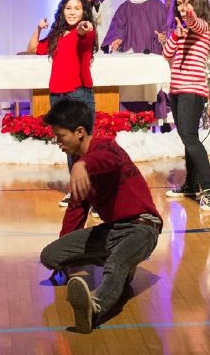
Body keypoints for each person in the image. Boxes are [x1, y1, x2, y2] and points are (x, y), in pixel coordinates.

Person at [40, 98, 162, 334]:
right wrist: (65, 254)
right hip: (113, 231)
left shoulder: (107, 147)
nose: (58, 142)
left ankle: (94, 309)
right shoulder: (80, 166)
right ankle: (123, 262)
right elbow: (76, 210)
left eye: (60, 136)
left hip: (142, 228)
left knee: (115, 265)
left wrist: (82, 165)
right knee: (51, 255)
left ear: (79, 132)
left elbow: (108, 160)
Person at [26, 0, 98, 187]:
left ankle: (95, 194)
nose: (72, 12)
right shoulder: (57, 34)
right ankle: (77, 191)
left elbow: (85, 32)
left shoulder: (86, 31)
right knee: (68, 145)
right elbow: (32, 48)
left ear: (84, 11)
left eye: (77, 8)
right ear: (62, 10)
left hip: (78, 93)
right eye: (68, 8)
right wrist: (39, 28)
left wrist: (85, 26)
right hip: (57, 95)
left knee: (85, 147)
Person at [162, 0, 210, 211]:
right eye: (179, 4)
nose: (182, 7)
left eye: (187, 2)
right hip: (177, 90)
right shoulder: (181, 30)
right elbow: (166, 54)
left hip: (193, 91)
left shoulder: (204, 27)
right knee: (187, 137)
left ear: (196, 3)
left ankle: (208, 186)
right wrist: (176, 34)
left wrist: (190, 17)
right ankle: (191, 184)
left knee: (190, 137)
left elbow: (196, 22)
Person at [104, 0, 168, 55]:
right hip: (131, 56)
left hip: (154, 55)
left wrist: (165, 37)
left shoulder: (158, 5)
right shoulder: (124, 8)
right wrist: (117, 39)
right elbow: (117, 28)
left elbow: (168, 28)